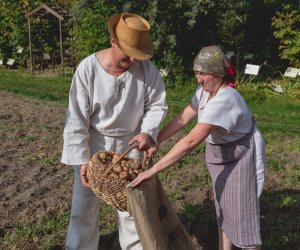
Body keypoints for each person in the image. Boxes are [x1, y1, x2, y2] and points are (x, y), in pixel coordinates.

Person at [130, 45, 265, 250]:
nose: (199, 79)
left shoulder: (225, 100)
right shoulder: (204, 92)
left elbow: (191, 141)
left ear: (218, 73)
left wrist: (153, 170)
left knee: (241, 213)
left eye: (204, 73)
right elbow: (184, 118)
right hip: (221, 154)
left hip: (241, 156)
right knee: (223, 208)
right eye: (197, 73)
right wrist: (156, 138)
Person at [61, 13, 168, 250]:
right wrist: (81, 159)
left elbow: (157, 104)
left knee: (133, 208)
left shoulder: (146, 69)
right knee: (83, 207)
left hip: (131, 147)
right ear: (113, 41)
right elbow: (76, 117)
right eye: (127, 52)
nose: (132, 58)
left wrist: (147, 132)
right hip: (94, 146)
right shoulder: (88, 69)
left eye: (136, 53)